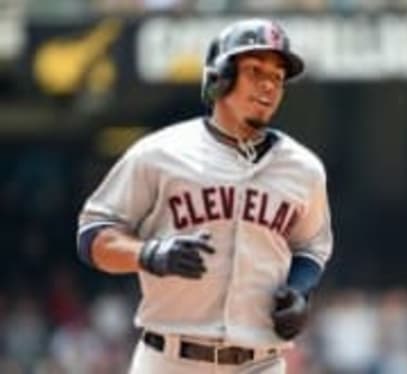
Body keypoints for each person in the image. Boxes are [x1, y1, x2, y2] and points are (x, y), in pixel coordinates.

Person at [77, 18, 333, 374]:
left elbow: (312, 246)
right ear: (220, 77)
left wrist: (300, 290)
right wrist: (149, 254)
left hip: (260, 362)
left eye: (277, 77)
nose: (268, 85)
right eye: (255, 70)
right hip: (169, 360)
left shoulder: (304, 169)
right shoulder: (159, 153)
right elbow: (93, 236)